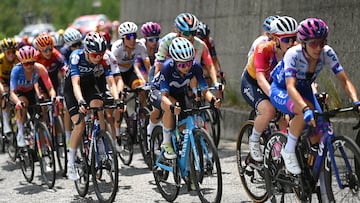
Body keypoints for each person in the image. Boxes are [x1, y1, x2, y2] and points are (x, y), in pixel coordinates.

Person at [270, 17, 360, 174]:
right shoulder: (293, 54)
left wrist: (356, 101)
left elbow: (345, 81)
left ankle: (308, 174)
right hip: (282, 89)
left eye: (322, 42)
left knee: (319, 133)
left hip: (304, 90)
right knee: (303, 110)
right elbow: (290, 87)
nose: (318, 48)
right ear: (303, 43)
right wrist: (304, 109)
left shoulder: (327, 53)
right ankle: (288, 150)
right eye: (313, 43)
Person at [150, 37, 221, 159]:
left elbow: (205, 90)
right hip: (159, 92)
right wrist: (172, 107)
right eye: (182, 64)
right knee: (170, 106)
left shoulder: (195, 67)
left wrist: (213, 100)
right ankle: (166, 143)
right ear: (175, 62)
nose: (186, 67)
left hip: (178, 92)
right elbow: (165, 97)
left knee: (184, 124)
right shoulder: (167, 67)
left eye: (189, 63)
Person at [240, 16, 298, 162]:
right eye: (286, 40)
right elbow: (260, 79)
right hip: (252, 82)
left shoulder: (295, 51)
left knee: (284, 119)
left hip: (275, 83)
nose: (291, 43)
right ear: (276, 39)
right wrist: (276, 98)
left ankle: (278, 156)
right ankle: (254, 141)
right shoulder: (263, 49)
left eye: (293, 38)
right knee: (269, 110)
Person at [64, 32, 113, 180]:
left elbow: (109, 80)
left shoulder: (103, 59)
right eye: (94, 55)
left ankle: (102, 148)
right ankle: (70, 162)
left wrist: (114, 97)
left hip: (90, 86)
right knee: (80, 124)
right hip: (73, 90)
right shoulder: (76, 57)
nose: (98, 58)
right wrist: (80, 100)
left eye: (100, 54)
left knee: (99, 107)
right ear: (86, 52)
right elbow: (75, 83)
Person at [154, 13, 219, 87]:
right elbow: (159, 66)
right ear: (178, 32)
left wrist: (216, 82)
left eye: (193, 32)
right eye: (187, 33)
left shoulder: (200, 45)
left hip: (185, 74)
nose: (191, 37)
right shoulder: (167, 40)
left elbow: (210, 66)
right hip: (165, 72)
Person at [10, 45, 56, 147]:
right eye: (26, 63)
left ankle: (43, 142)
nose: (29, 66)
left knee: (42, 107)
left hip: (31, 91)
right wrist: (17, 102)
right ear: (21, 62)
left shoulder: (40, 68)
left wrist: (53, 97)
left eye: (32, 62)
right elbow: (12, 92)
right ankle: (20, 133)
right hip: (19, 93)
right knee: (23, 103)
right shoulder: (16, 70)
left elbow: (50, 88)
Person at [111, 21, 150, 140]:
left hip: (129, 72)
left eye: (134, 36)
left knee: (142, 90)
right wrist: (119, 91)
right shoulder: (116, 49)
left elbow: (148, 66)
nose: (133, 39)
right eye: (129, 37)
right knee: (120, 99)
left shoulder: (140, 46)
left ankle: (143, 120)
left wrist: (152, 80)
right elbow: (114, 72)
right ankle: (117, 132)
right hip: (116, 74)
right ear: (123, 38)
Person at [0, 38, 19, 134]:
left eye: (13, 51)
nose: (11, 54)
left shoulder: (18, 57)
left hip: (14, 79)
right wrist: (3, 91)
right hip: (2, 80)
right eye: (8, 52)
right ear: (4, 52)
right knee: (3, 96)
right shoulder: (1, 60)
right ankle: (6, 124)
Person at [196, 21, 224, 86]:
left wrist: (219, 71)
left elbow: (214, 59)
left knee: (210, 74)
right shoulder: (194, 44)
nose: (205, 41)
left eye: (206, 37)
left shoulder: (210, 42)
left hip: (204, 61)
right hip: (194, 62)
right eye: (203, 39)